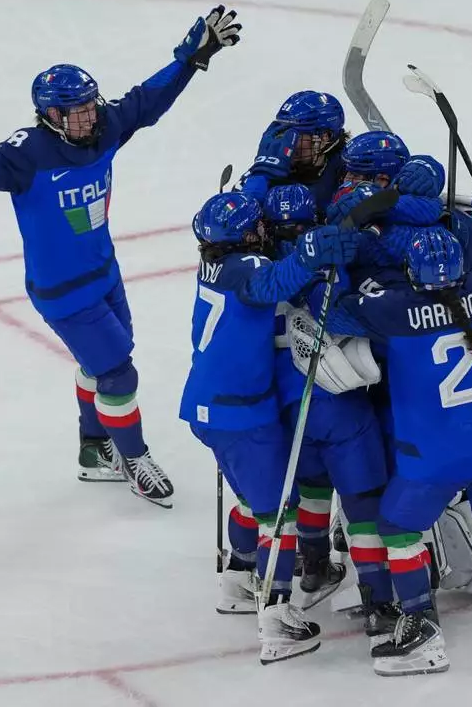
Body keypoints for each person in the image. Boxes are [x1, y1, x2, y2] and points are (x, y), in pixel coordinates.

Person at [0, 5, 241, 508]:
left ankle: (94, 451)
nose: (91, 116)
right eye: (79, 111)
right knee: (118, 372)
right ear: (51, 116)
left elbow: (146, 102)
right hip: (63, 292)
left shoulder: (102, 127)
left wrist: (191, 58)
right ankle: (133, 458)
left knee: (106, 364)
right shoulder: (29, 152)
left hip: (104, 273)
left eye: (92, 106)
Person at [322, 196, 472, 678]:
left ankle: (421, 630)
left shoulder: (394, 308)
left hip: (432, 461)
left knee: (397, 530)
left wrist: (331, 265)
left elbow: (336, 313)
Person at [179, 191, 360, 664]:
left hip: (206, 406)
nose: (263, 231)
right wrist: (311, 251)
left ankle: (237, 579)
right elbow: (275, 281)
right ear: (241, 237)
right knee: (281, 513)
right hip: (242, 414)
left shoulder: (214, 265)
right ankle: (277, 617)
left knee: (253, 499)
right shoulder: (246, 270)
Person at [262, 185, 392, 613]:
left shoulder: (263, 269)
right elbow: (353, 317)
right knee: (361, 500)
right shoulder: (328, 262)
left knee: (312, 486)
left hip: (285, 404)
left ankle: (315, 567)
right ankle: (377, 603)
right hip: (336, 405)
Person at [237, 91, 349, 206]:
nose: (287, 142)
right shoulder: (271, 168)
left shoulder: (348, 169)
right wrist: (260, 178)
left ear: (325, 137)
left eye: (296, 134)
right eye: (284, 132)